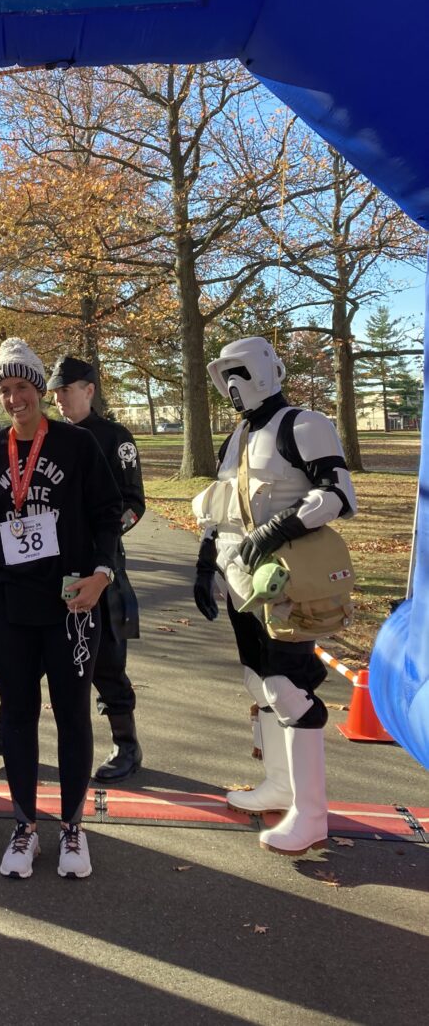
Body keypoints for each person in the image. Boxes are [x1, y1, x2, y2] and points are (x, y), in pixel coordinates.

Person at [191, 336, 357, 855]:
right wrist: (205, 561)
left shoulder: (303, 425)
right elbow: (222, 506)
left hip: (288, 578)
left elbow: (338, 493)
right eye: (224, 375)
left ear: (267, 369)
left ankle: (312, 814)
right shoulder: (238, 435)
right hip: (242, 578)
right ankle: (281, 785)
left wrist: (280, 527)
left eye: (238, 371)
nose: (231, 384)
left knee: (288, 686)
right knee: (259, 680)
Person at [0, 338, 123, 880]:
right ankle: (25, 826)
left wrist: (102, 574)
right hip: (8, 600)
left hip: (71, 600)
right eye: (5, 390)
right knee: (16, 713)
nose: (15, 399)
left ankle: (73, 826)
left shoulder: (77, 444)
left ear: (39, 388)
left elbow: (108, 513)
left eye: (23, 387)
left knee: (73, 712)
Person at [0, 355, 146, 782]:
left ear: (89, 390)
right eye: (57, 391)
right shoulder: (21, 439)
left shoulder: (110, 438)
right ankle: (7, 732)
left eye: (67, 390)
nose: (60, 398)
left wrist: (99, 551)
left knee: (103, 660)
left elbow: (129, 504)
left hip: (92, 568)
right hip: (30, 573)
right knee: (23, 661)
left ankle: (126, 742)